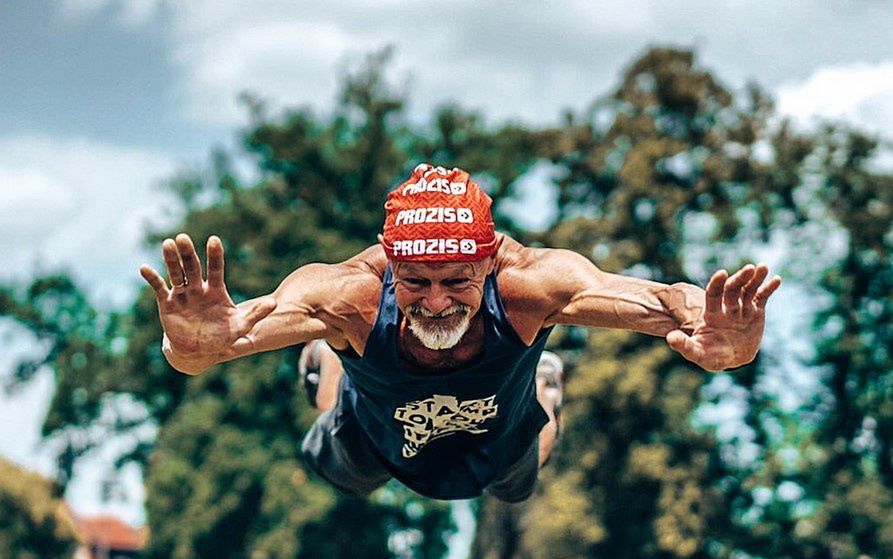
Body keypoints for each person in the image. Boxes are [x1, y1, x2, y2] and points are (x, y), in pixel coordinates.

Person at [139, 163, 781, 501]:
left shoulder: (529, 286)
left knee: (515, 482)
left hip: (497, 430)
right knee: (348, 466)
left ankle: (544, 391)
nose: (438, 301)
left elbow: (660, 300)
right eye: (416, 282)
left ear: (487, 259)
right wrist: (191, 347)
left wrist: (722, 333)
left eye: (457, 280)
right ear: (391, 265)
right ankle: (331, 360)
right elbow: (216, 348)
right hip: (376, 425)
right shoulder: (351, 295)